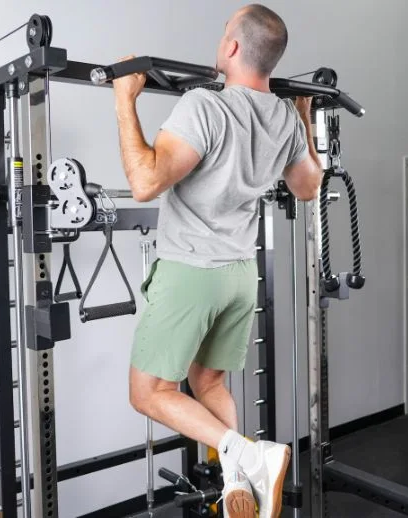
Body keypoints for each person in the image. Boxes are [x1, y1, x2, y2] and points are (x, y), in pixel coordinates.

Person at [111, 4, 322, 518]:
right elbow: (308, 187)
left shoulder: (205, 106)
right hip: (238, 275)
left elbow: (144, 183)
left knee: (149, 393)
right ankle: (240, 477)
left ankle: (248, 453)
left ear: (232, 47)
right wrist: (304, 118)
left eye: (224, 33)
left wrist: (124, 102)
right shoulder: (284, 120)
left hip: (190, 273)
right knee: (210, 385)